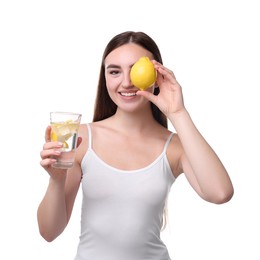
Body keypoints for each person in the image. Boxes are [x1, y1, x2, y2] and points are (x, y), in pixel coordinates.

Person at [38, 31, 234, 260]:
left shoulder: (174, 147)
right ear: (105, 78)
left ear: (157, 75)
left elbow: (220, 193)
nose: (127, 82)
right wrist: (56, 179)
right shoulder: (81, 139)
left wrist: (178, 113)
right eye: (114, 71)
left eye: (136, 69)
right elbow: (49, 232)